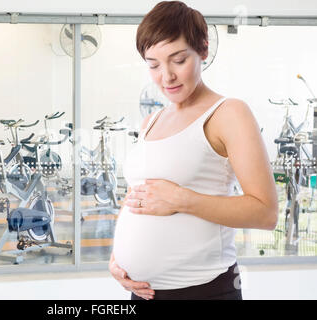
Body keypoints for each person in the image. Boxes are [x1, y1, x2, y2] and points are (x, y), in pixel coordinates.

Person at [109, 1, 278, 300]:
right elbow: (138, 195)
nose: (166, 76)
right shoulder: (152, 121)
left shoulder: (228, 113)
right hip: (144, 293)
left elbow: (265, 213)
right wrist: (117, 258)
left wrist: (182, 199)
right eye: (153, 64)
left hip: (204, 292)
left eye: (178, 59)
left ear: (202, 49)